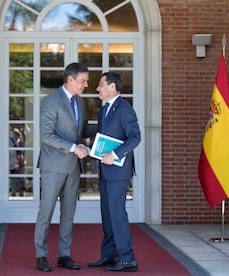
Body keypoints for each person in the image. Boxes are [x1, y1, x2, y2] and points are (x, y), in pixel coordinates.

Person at [34, 62, 95, 272]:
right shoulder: (51, 101)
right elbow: (46, 135)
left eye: (86, 81)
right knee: (46, 211)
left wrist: (106, 127)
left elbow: (83, 130)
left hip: (73, 167)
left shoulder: (80, 102)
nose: (86, 84)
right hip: (53, 166)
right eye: (83, 81)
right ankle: (41, 255)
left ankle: (64, 255)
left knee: (69, 213)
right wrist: (72, 147)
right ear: (70, 79)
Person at [88, 72, 141, 272]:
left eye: (101, 85)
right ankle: (110, 256)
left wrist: (115, 154)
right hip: (105, 170)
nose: (97, 89)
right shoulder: (104, 111)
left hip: (118, 172)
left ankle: (128, 259)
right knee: (108, 215)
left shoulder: (125, 109)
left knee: (117, 215)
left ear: (112, 87)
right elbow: (100, 132)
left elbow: (135, 137)